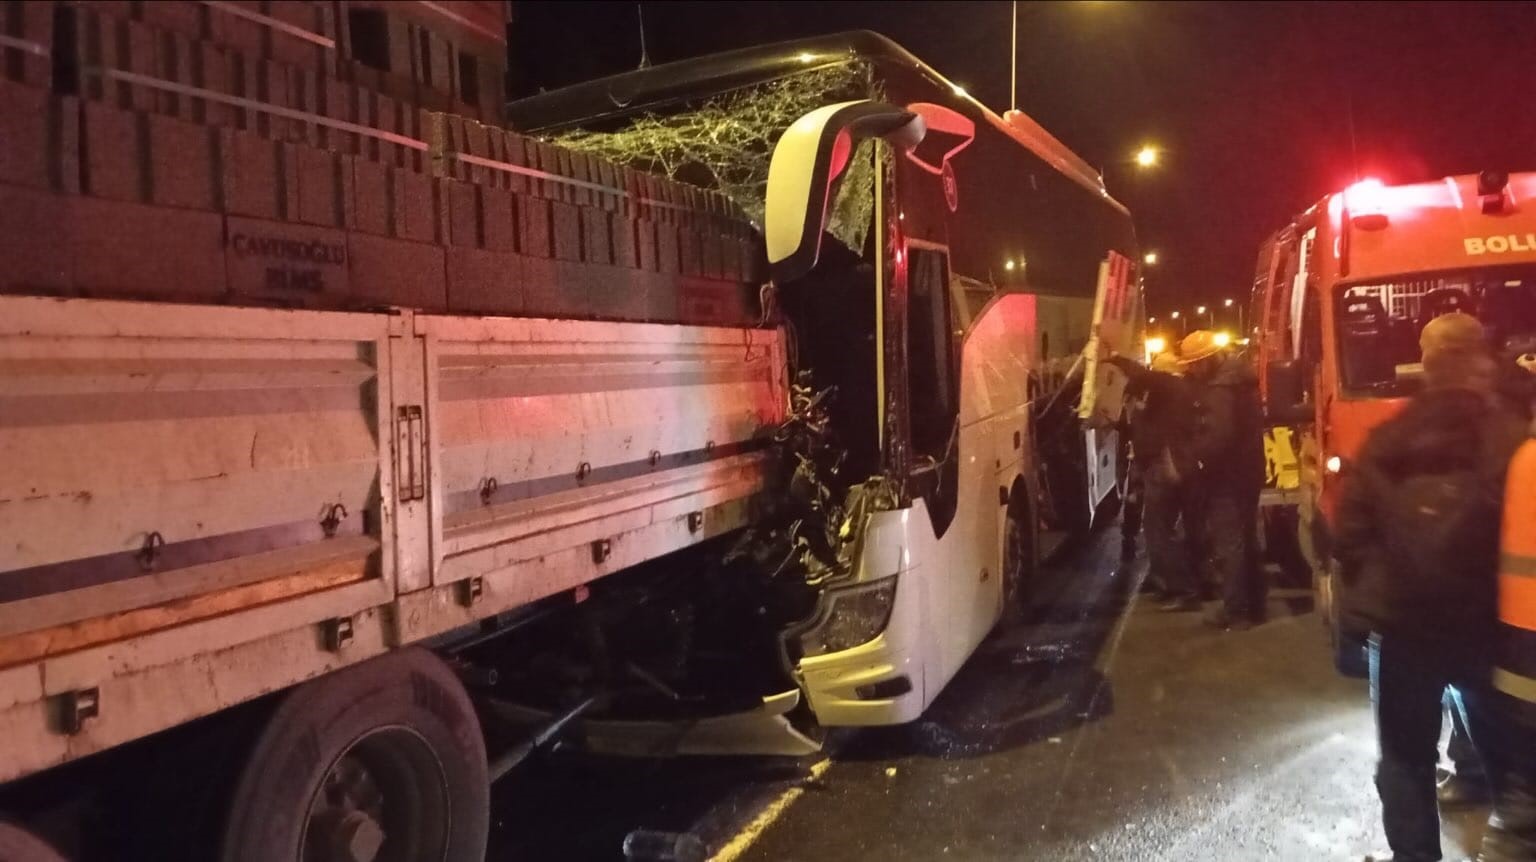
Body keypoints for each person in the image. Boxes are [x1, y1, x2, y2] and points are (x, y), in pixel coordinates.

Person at [1335, 312, 1528, 862]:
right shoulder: (1512, 440)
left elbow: (1348, 535)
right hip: (1487, 626)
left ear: (1426, 363)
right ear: (1482, 360)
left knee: (1404, 759)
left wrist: (1378, 593)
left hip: (1403, 631)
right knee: (1509, 758)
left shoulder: (1388, 439)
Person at [1107, 349, 1207, 610]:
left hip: (1166, 465)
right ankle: (1171, 583)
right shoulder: (1169, 395)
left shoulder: (1171, 387)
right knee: (1161, 530)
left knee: (1159, 531)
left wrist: (1116, 357)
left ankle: (1184, 590)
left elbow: (1145, 379)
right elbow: (1145, 425)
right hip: (1162, 464)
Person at [1179, 330, 1266, 630]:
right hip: (1249, 470)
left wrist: (1194, 458)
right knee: (1246, 537)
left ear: (1205, 361)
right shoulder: (1240, 380)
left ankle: (1236, 611)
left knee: (1229, 542)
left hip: (1226, 477)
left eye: (1193, 365)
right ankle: (1255, 604)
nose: (1190, 370)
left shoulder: (1220, 390)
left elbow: (1218, 437)